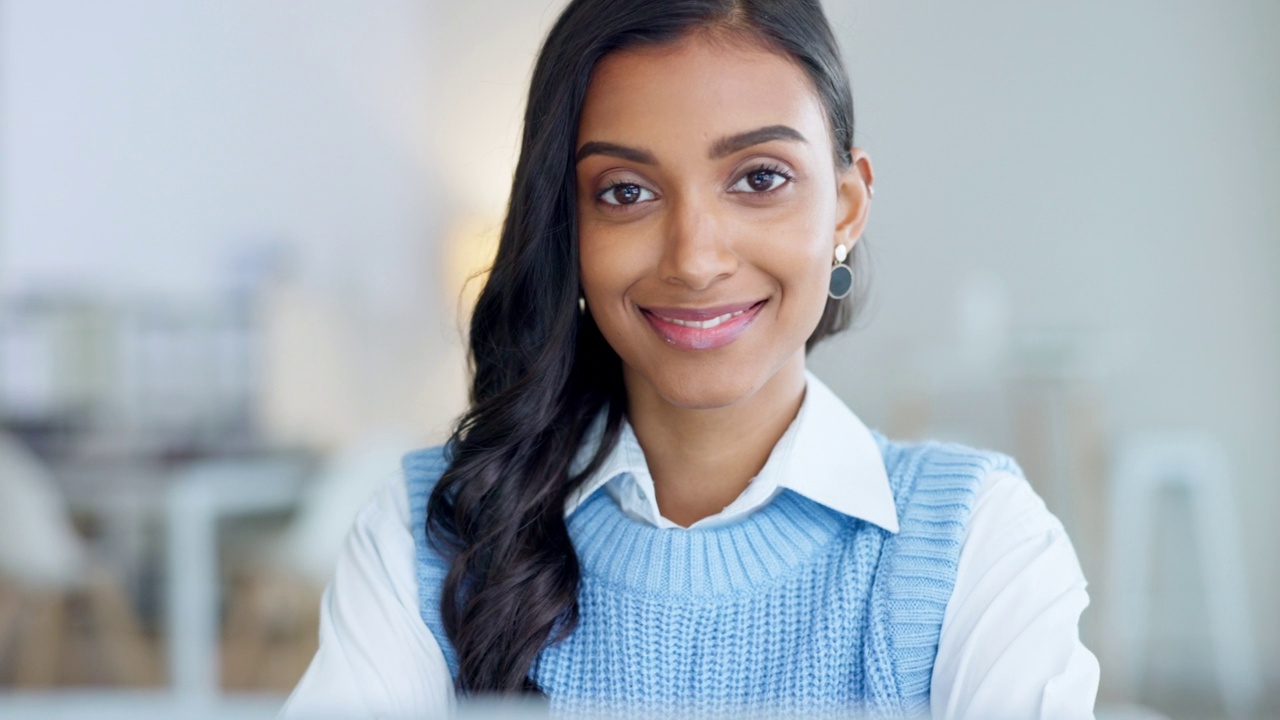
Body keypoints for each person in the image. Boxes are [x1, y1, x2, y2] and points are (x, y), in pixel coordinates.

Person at [281, 0, 1100, 717]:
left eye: (759, 177)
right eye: (626, 191)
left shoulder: (975, 545)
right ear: (570, 228)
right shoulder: (424, 532)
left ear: (846, 208)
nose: (695, 259)